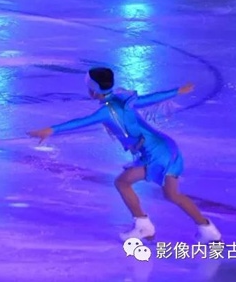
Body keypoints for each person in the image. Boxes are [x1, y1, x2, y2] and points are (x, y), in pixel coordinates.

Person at [27, 67, 222, 242]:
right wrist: (177, 91)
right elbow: (150, 98)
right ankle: (207, 229)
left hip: (154, 152)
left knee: (122, 182)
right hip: (167, 146)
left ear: (92, 90)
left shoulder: (106, 111)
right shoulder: (124, 100)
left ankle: (143, 225)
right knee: (172, 194)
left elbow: (80, 122)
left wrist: (51, 130)